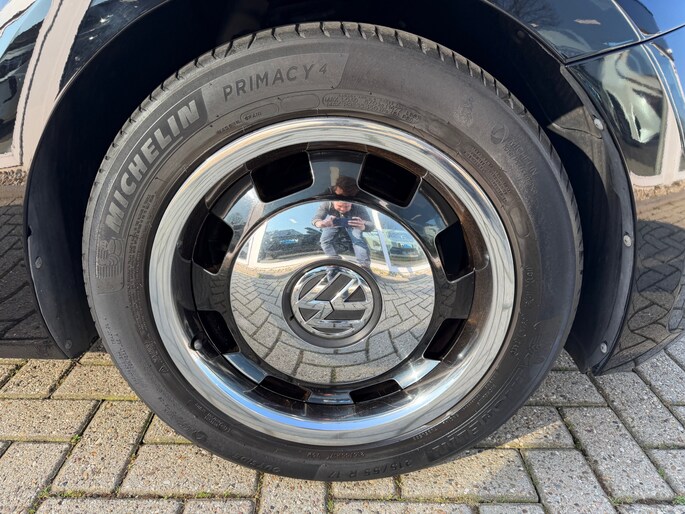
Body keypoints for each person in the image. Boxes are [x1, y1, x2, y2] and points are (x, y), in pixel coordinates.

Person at [312, 177, 372, 269]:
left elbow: (371, 225)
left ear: (352, 201)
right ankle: (334, 260)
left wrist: (363, 226)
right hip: (333, 222)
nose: (343, 209)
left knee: (358, 240)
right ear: (333, 200)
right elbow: (316, 218)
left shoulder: (358, 206)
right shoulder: (327, 203)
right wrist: (322, 224)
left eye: (346, 206)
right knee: (324, 241)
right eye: (339, 205)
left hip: (352, 222)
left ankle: (364, 266)